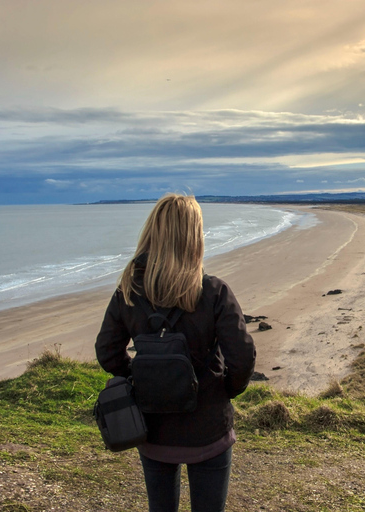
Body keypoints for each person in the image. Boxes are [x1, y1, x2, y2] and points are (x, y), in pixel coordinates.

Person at [95, 193, 256, 512]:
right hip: (209, 429)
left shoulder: (129, 290)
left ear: (152, 232)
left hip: (153, 429)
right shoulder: (212, 292)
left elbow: (107, 352)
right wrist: (225, 392)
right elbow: (243, 358)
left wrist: (139, 379)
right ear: (194, 237)